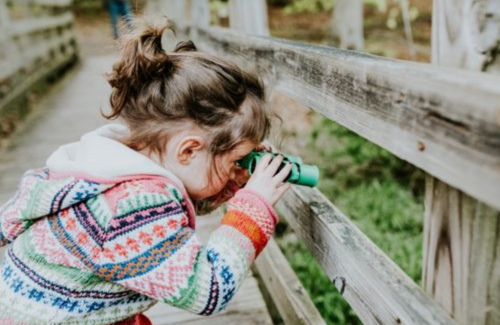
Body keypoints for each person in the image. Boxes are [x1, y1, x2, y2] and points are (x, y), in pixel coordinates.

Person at [0, 19, 292, 325]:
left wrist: (234, 185)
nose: (240, 170)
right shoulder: (136, 205)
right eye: (237, 161)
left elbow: (181, 203)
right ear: (189, 150)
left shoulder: (102, 167)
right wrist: (253, 206)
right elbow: (209, 290)